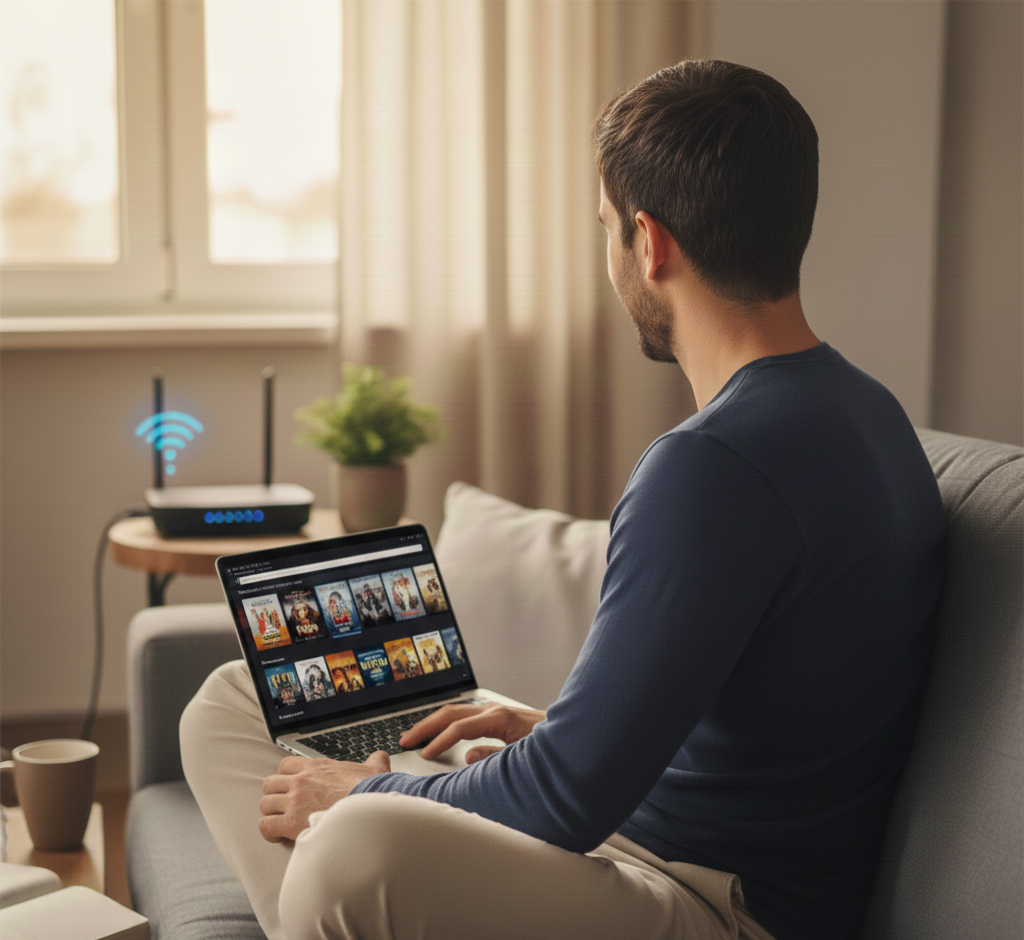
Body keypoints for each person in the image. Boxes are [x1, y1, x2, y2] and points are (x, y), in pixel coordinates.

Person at [181, 60, 946, 940]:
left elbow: (566, 801)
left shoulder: (715, 465)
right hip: (647, 826)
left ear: (649, 244)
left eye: (606, 229)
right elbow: (772, 707)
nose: (610, 254)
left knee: (353, 844)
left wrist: (370, 788)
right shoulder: (866, 411)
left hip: (716, 902)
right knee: (236, 699)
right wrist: (548, 728)